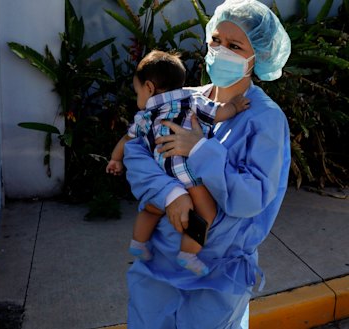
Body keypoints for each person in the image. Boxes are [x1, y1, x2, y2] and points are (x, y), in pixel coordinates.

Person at [123, 0, 292, 328]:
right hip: (159, 264)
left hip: (216, 274)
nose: (220, 50)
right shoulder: (184, 98)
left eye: (234, 45)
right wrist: (170, 193)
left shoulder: (265, 119)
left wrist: (200, 149)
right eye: (216, 40)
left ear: (257, 56)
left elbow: (250, 199)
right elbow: (136, 152)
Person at [106, 49, 250, 276]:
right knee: (206, 213)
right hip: (189, 171)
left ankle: (138, 243)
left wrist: (115, 159)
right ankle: (188, 253)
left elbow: (128, 139)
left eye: (137, 92)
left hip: (162, 172)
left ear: (150, 88)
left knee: (152, 208)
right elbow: (218, 114)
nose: (138, 98)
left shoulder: (144, 116)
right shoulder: (192, 100)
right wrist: (234, 106)